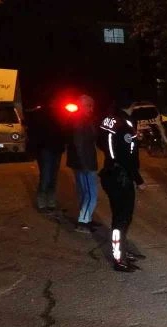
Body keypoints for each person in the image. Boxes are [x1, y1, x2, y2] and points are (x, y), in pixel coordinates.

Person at [97, 91, 147, 272]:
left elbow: (101, 142)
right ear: (130, 105)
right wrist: (138, 180)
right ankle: (119, 259)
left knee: (122, 217)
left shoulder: (109, 119)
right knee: (122, 218)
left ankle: (122, 250)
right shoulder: (124, 125)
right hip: (120, 177)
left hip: (110, 173)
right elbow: (127, 158)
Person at [26, 101, 67, 212]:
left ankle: (50, 201)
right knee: (46, 176)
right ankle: (42, 201)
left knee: (53, 176)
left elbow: (63, 131)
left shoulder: (60, 114)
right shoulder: (40, 114)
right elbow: (34, 133)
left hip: (55, 149)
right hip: (45, 149)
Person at [66, 95, 99, 233]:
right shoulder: (80, 121)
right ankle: (83, 221)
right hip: (85, 163)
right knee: (91, 194)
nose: (91, 109)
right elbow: (78, 144)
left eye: (92, 106)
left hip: (82, 162)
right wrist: (84, 164)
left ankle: (86, 218)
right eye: (88, 106)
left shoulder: (81, 119)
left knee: (85, 192)